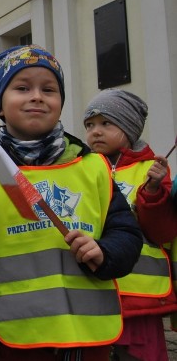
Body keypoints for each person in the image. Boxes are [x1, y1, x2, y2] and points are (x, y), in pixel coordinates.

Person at [0, 44, 143, 361]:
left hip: (87, 337)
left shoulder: (93, 167)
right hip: (15, 340)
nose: (37, 96)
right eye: (22, 87)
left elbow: (127, 234)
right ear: (0, 105)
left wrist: (104, 251)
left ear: (60, 102)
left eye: (49, 89)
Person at [83, 89, 176, 361]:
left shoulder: (150, 169)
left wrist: (154, 191)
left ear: (129, 127)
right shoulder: (82, 167)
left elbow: (162, 231)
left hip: (139, 294)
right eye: (90, 125)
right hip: (95, 286)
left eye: (106, 123)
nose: (95, 132)